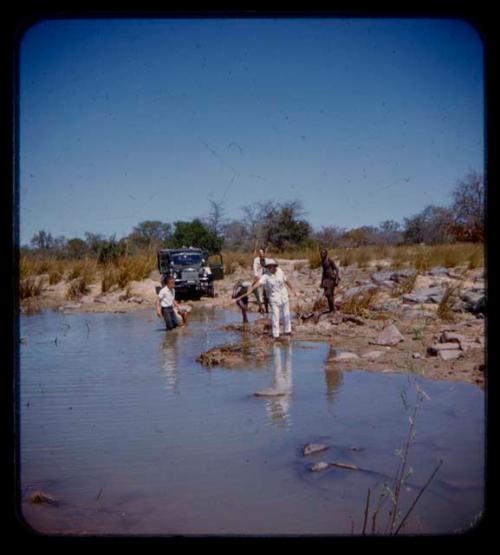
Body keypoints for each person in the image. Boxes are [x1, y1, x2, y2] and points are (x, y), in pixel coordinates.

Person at [235, 259, 293, 339]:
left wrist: (293, 289)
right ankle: (276, 335)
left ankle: (288, 331)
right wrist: (251, 290)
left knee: (286, 314)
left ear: (275, 266)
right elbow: (258, 283)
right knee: (275, 315)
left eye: (272, 266)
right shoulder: (266, 276)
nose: (270, 268)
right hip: (274, 298)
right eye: (269, 267)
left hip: (284, 296)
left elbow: (286, 280)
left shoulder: (280, 271)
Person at [320, 248, 340, 313]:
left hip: (331, 279)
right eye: (321, 253)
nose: (322, 254)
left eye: (323, 253)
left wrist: (336, 278)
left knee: (329, 294)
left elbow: (336, 269)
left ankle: (333, 309)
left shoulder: (329, 260)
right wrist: (322, 281)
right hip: (326, 280)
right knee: (328, 295)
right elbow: (323, 272)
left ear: (326, 253)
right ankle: (331, 309)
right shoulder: (322, 261)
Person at [252, 248, 269, 313]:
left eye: (262, 252)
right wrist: (256, 276)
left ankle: (266, 308)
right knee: (260, 293)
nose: (261, 254)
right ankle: (261, 308)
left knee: (267, 294)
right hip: (259, 278)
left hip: (266, 279)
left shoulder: (267, 260)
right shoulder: (256, 260)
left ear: (264, 253)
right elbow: (255, 269)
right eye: (259, 252)